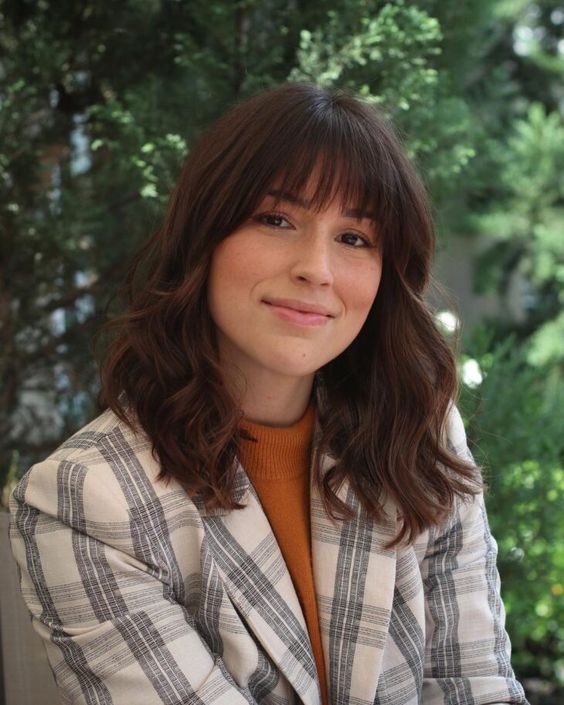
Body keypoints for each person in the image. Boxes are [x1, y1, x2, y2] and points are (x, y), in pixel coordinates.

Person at [9, 83, 528, 705]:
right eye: (277, 219)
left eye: (354, 238)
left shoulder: (417, 432)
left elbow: (477, 685)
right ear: (204, 235)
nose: (317, 269)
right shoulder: (87, 500)